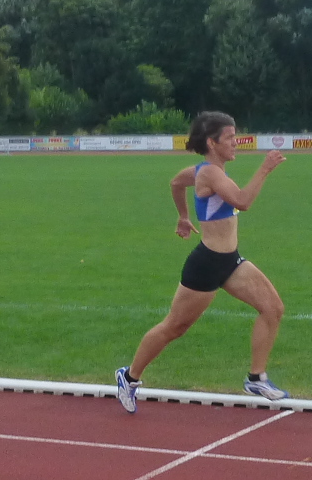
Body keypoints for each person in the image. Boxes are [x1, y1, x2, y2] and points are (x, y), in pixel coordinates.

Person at [115, 111, 288, 413]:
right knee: (174, 327)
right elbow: (243, 201)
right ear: (211, 142)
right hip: (206, 265)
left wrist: (183, 217)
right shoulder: (209, 173)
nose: (236, 142)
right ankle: (128, 377)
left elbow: (175, 182)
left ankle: (256, 378)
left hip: (231, 262)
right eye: (230, 138)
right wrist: (265, 169)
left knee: (273, 309)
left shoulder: (203, 172)